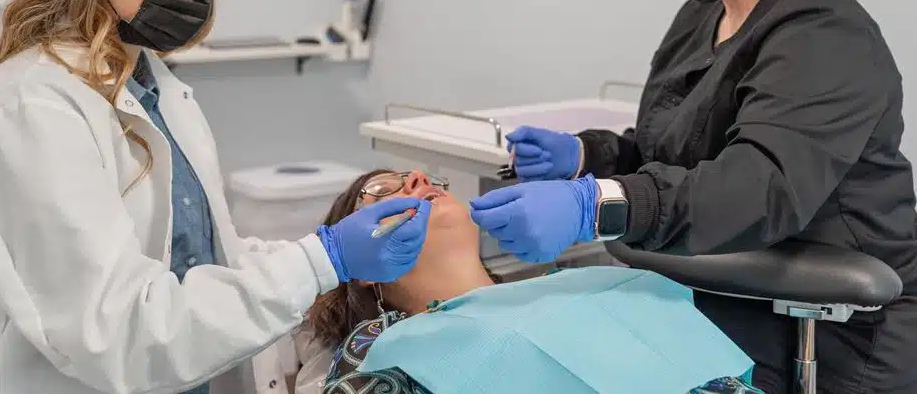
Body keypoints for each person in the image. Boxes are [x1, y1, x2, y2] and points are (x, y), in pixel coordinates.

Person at [469, 0, 917, 394]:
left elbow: (758, 187)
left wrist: (597, 205)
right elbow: (682, 146)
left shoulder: (823, 35)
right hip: (722, 283)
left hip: (828, 322)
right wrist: (588, 157)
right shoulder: (706, 13)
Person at [0, 0, 431, 394]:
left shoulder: (153, 85)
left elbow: (200, 258)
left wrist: (321, 254)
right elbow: (116, 332)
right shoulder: (33, 108)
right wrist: (322, 260)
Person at [299, 168, 764, 394]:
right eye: (381, 192)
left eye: (420, 175)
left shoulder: (587, 287)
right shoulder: (381, 345)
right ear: (360, 268)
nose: (417, 177)